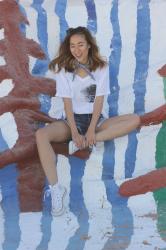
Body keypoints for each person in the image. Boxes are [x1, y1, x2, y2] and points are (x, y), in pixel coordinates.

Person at [36, 26, 166, 216]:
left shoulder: (100, 67)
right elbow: (67, 104)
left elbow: (98, 101)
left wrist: (90, 132)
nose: (76, 49)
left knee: (134, 119)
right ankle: (56, 190)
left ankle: (90, 141)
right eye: (72, 46)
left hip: (96, 120)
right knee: (41, 135)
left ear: (89, 45)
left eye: (80, 44)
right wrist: (74, 132)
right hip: (70, 120)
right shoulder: (64, 70)